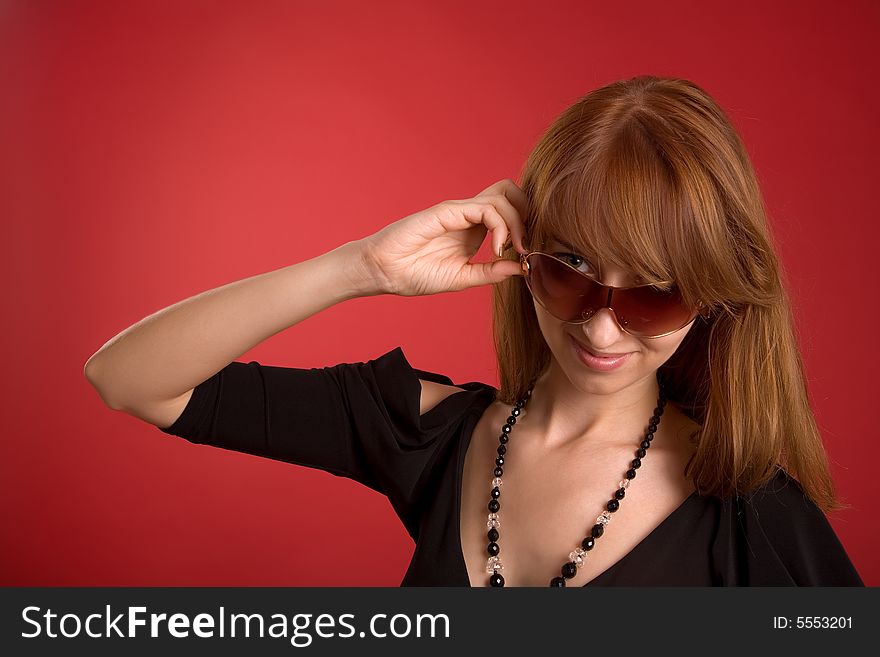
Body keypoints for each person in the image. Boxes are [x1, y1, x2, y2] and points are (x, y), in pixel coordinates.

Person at [84, 74, 864, 587]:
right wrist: (361, 266)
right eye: (571, 270)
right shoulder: (425, 431)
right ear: (526, 257)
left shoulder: (751, 512)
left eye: (653, 295)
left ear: (712, 297)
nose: (601, 322)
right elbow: (127, 378)